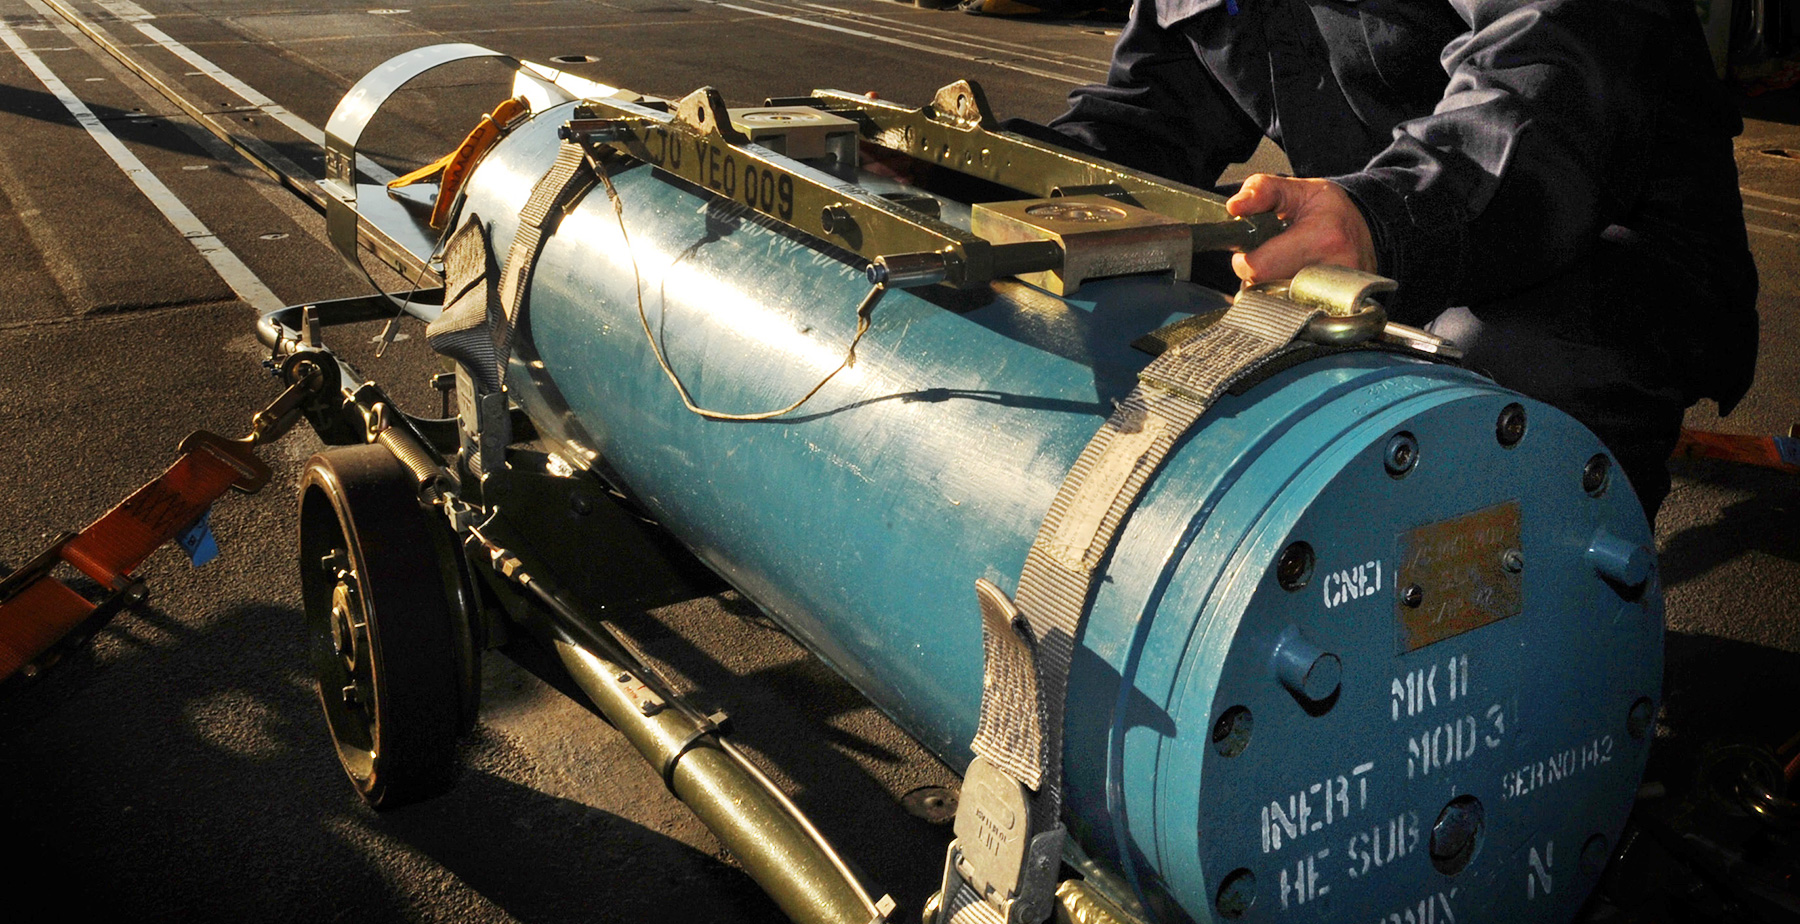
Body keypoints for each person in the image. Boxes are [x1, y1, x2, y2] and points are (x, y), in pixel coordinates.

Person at [1022, 0, 1759, 521]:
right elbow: (1139, 118)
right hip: (1383, 234)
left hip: (1611, 242)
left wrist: (1383, 218)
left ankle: (1559, 627)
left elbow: (1544, 77)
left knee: (1489, 372)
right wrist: (969, 175)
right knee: (1146, 258)